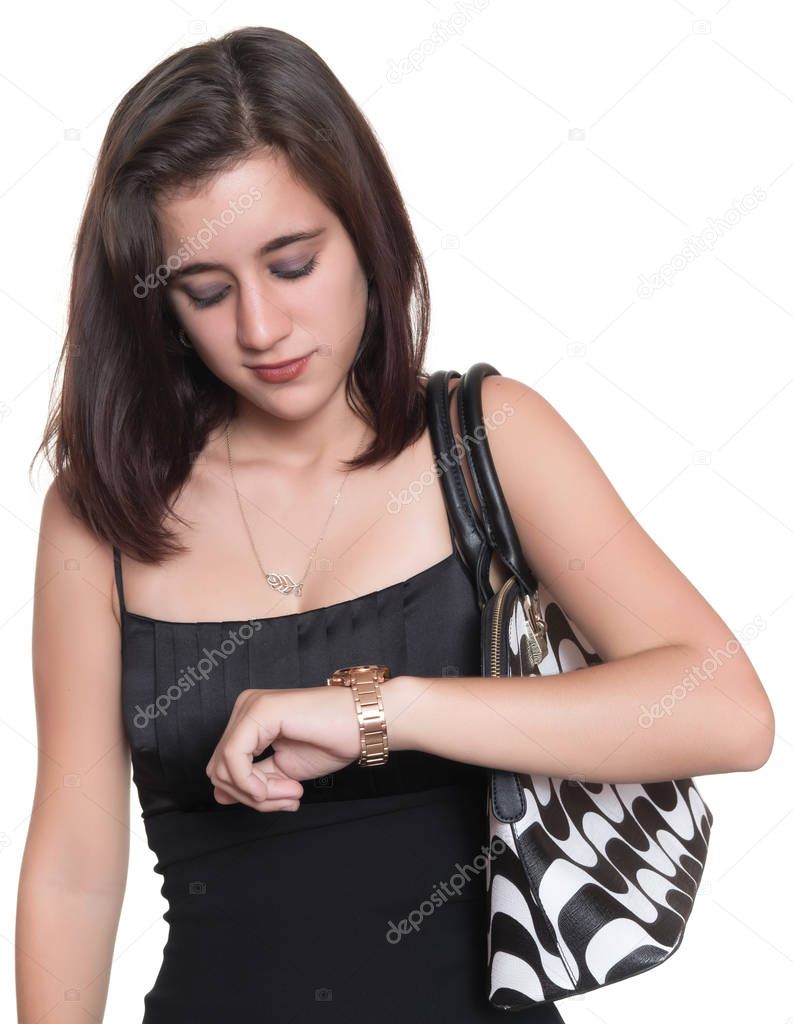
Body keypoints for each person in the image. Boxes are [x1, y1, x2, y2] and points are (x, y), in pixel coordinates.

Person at [16, 25, 774, 1024]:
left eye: (292, 263)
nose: (259, 327)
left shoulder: (488, 440)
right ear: (158, 302)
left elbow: (726, 710)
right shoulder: (101, 511)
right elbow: (73, 868)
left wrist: (381, 712)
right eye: (206, 290)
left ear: (365, 235)